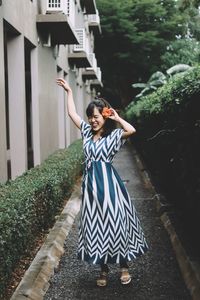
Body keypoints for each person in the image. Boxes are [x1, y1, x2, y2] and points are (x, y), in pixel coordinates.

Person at [56, 78, 148, 287]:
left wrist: (116, 116)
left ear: (104, 117)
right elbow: (72, 114)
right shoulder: (87, 133)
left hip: (109, 187)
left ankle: (124, 266)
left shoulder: (114, 135)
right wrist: (69, 91)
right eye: (90, 117)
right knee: (96, 228)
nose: (92, 120)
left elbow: (131, 130)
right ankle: (104, 269)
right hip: (90, 189)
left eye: (96, 116)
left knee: (115, 225)